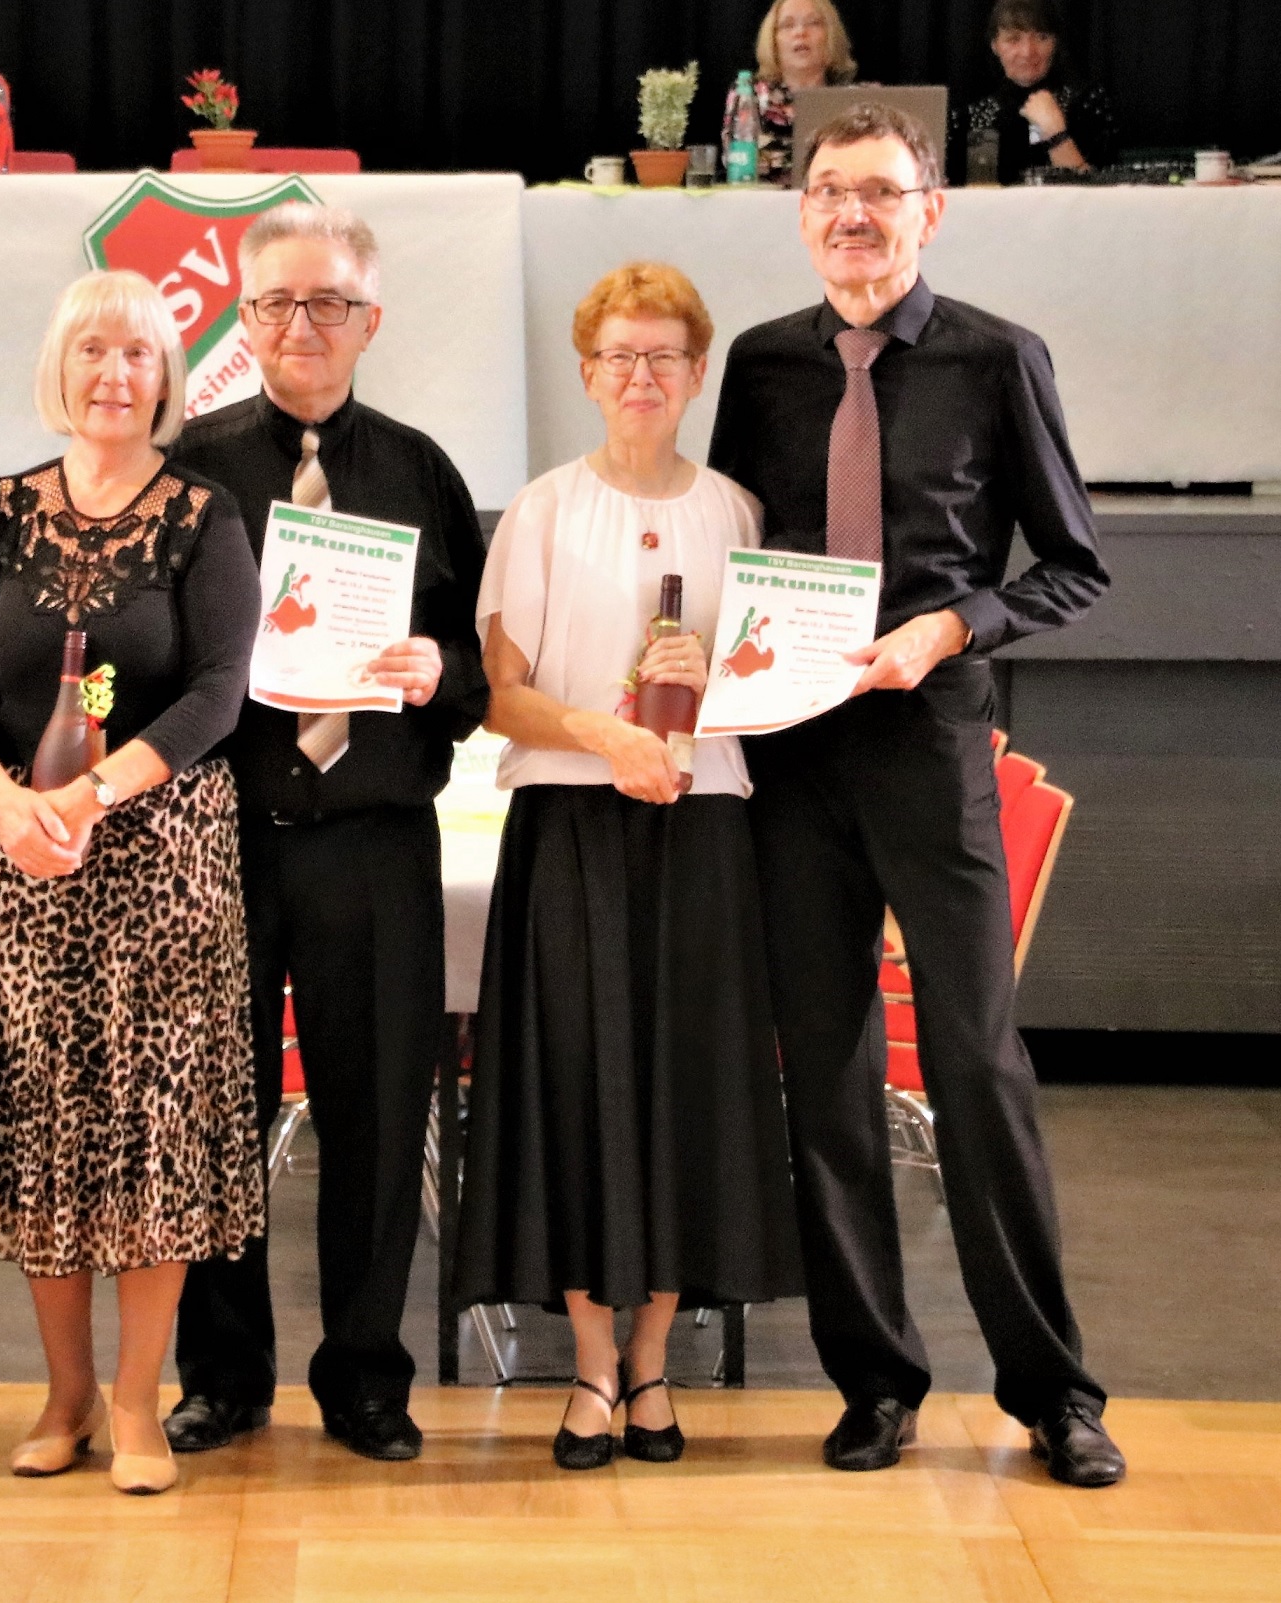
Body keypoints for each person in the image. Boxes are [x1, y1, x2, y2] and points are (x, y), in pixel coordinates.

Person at [707, 103, 1124, 1487]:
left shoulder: (999, 356)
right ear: (802, 208)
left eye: (880, 194)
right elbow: (734, 550)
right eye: (830, 193)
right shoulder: (763, 364)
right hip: (788, 758)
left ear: (929, 209)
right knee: (821, 1074)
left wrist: (949, 626)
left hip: (930, 750)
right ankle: (873, 1377)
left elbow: (1069, 564)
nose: (852, 216)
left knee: (975, 1068)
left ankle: (1054, 1389)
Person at [458, 263, 805, 1470]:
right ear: (586, 373)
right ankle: (590, 1370)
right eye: (618, 357)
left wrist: (710, 693)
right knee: (575, 1087)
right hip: (572, 829)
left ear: (696, 373)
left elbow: (768, 692)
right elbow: (501, 699)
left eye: (663, 356)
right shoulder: (542, 510)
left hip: (702, 826)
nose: (641, 377)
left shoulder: (738, 513)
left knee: (681, 1092)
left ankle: (653, 1364)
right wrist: (609, 735)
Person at [0, 268, 264, 1496]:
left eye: (135, 355)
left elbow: (219, 690)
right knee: (47, 1131)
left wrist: (87, 794)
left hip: (161, 864)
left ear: (165, 380)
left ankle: (135, 1399)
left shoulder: (202, 514)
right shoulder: (4, 509)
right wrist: (5, 798)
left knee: (150, 1133)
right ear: (57, 372)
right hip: (19, 861)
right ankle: (63, 1390)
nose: (111, 375)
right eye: (90, 353)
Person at [163, 202, 490, 1463]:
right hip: (217, 840)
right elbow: (130, 662)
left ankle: (364, 1373)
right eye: (277, 304)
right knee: (214, 1117)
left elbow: (477, 663)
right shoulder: (186, 467)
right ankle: (223, 1371)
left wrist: (431, 667)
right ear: (241, 320)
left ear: (369, 319)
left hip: (371, 840)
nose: (302, 327)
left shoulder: (421, 470)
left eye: (329, 304)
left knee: (371, 1116)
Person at [957, 0, 1119, 182]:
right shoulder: (974, 115)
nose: (1027, 52)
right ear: (995, 45)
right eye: (1014, 39)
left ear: (1055, 43)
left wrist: (1055, 133)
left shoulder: (1087, 101)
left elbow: (1103, 196)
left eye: (1041, 37)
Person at [723, 0, 859, 188]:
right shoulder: (749, 94)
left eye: (813, 23)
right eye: (787, 25)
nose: (800, 33)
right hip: (763, 208)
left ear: (831, 36)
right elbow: (735, 161)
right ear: (772, 41)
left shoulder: (854, 100)